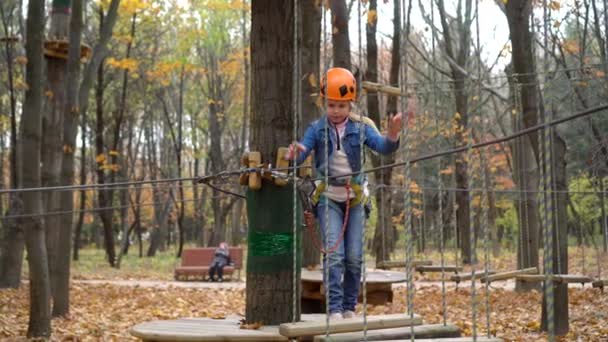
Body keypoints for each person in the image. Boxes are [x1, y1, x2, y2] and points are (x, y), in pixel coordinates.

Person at [285, 67, 405, 320]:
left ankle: (350, 307)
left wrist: (392, 134)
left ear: (351, 103)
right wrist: (296, 152)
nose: (336, 111)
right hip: (329, 197)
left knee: (353, 256)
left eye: (342, 105)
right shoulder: (316, 129)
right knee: (334, 254)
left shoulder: (362, 128)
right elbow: (304, 149)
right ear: (323, 103)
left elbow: (382, 147)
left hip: (356, 199)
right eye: (331, 105)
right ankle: (335, 308)